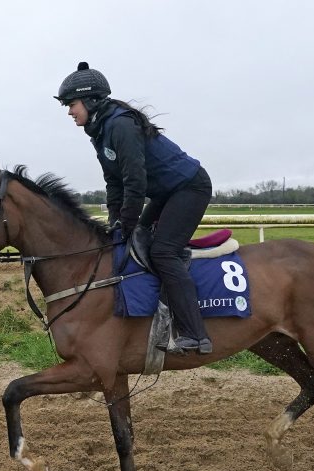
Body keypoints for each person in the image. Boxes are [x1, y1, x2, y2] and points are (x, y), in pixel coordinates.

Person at [55, 62, 213, 355]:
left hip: (189, 187)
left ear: (90, 101)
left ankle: (195, 334)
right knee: (135, 238)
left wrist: (127, 222)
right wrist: (116, 223)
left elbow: (135, 181)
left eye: (71, 104)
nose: (69, 112)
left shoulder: (119, 125)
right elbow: (114, 183)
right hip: (166, 192)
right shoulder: (99, 131)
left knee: (162, 251)